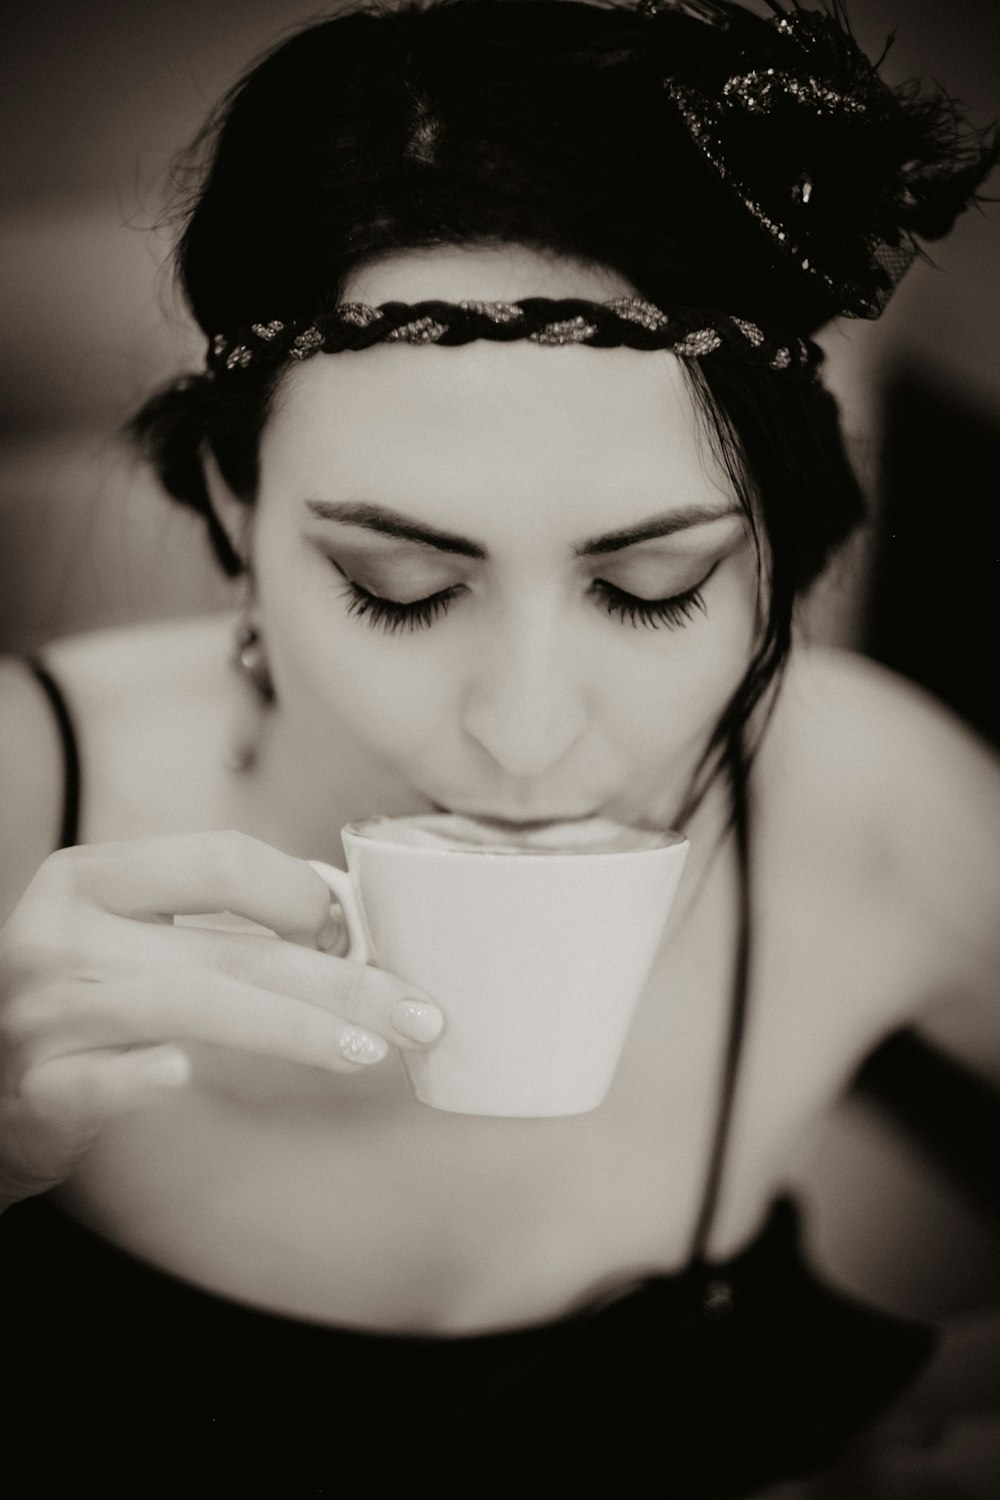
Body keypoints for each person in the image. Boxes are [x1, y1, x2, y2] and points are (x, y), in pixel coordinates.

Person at [1, 1, 998, 1494]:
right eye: (396, 588)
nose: (527, 736)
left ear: (779, 558)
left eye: (650, 588)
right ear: (228, 508)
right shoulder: (24, 795)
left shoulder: (873, 808)